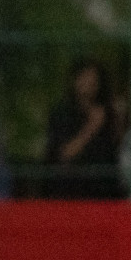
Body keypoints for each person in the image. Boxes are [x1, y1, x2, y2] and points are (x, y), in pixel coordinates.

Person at [43, 59, 121, 198]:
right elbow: (65, 154)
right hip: (71, 192)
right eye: (84, 77)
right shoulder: (62, 114)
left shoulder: (107, 113)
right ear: (74, 80)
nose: (89, 83)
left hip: (105, 192)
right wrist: (91, 127)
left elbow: (116, 148)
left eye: (93, 78)